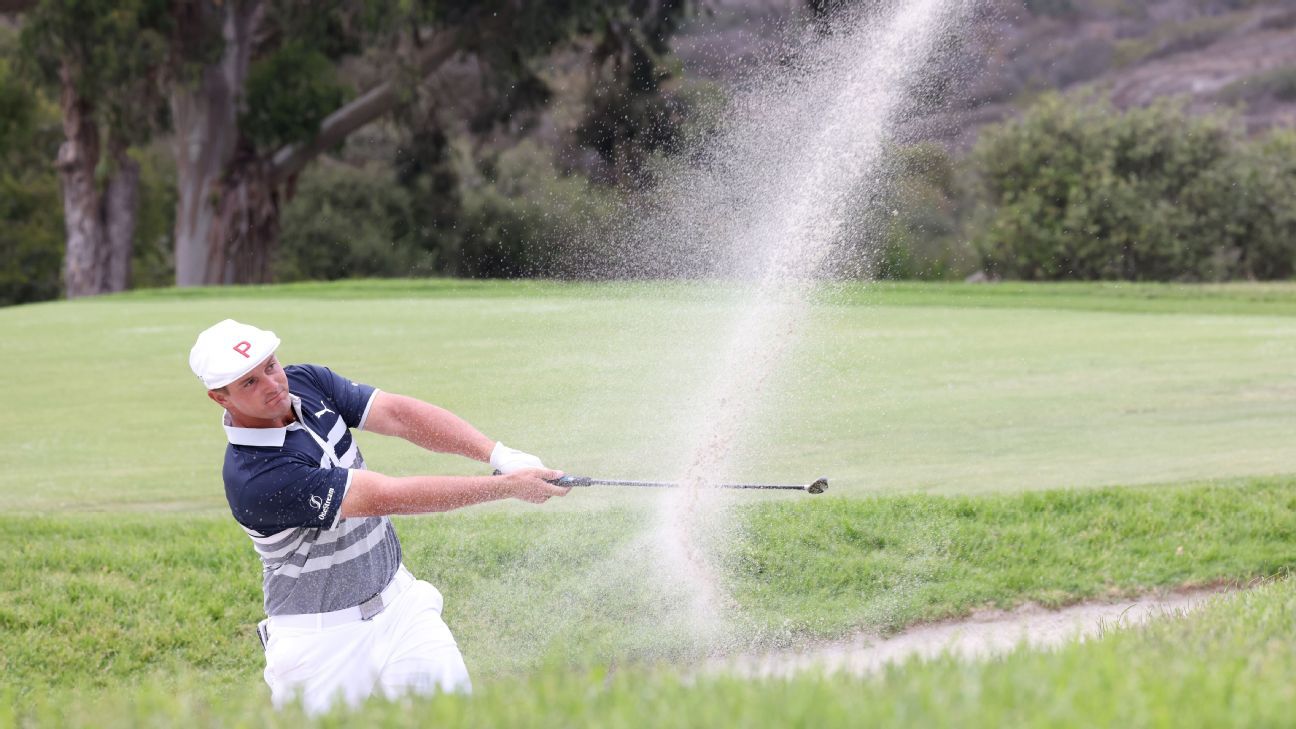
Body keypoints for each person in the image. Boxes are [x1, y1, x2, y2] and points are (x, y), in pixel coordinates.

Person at [188, 318, 569, 714]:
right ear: (221, 397)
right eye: (249, 382)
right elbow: (387, 496)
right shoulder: (255, 476)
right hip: (320, 641)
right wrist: (508, 487)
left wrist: (499, 455)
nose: (272, 384)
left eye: (270, 365)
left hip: (400, 607)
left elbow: (398, 415)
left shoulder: (306, 382)